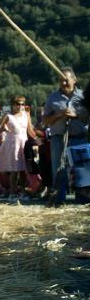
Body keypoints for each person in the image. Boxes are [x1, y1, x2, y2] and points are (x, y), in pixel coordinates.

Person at [43, 67, 89, 206]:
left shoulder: (84, 97)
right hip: (59, 139)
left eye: (66, 80)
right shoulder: (52, 98)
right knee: (59, 170)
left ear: (74, 80)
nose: (63, 83)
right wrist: (60, 114)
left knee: (82, 169)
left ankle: (83, 200)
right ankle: (58, 200)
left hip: (80, 138)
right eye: (60, 80)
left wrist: (76, 114)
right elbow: (45, 121)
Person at [0, 96, 36, 201]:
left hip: (24, 143)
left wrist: (37, 139)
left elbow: (30, 130)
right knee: (14, 170)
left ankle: (23, 193)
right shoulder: (7, 115)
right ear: (13, 105)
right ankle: (12, 194)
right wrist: (3, 128)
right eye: (18, 104)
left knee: (23, 170)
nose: (20, 106)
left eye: (22, 104)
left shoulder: (26, 114)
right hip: (12, 144)